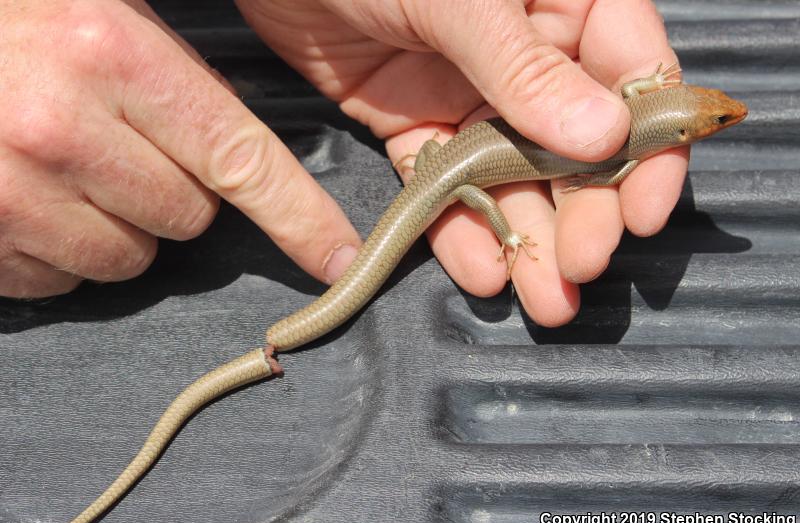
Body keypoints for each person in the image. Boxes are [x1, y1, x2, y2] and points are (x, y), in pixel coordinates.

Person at [0, 0, 687, 327]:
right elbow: (611, 156)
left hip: (450, 156)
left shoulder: (633, 114)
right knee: (491, 212)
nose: (714, 125)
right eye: (705, 122)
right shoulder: (621, 134)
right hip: (458, 170)